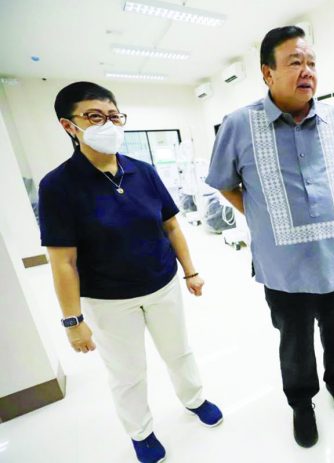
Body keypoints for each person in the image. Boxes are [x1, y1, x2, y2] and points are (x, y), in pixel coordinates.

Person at [39, 81, 222, 463]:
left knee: (179, 352)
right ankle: (141, 431)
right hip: (108, 300)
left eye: (113, 115)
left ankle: (194, 398)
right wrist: (73, 320)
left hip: (162, 283)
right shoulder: (58, 186)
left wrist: (190, 272)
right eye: (94, 116)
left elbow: (171, 225)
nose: (108, 123)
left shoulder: (143, 171)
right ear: (68, 125)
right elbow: (63, 261)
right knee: (128, 372)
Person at [206, 25, 334, 448]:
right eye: (295, 62)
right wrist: (261, 215)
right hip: (284, 269)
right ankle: (301, 403)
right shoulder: (238, 126)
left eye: (311, 63)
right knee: (294, 345)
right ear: (267, 73)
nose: (306, 71)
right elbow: (224, 183)